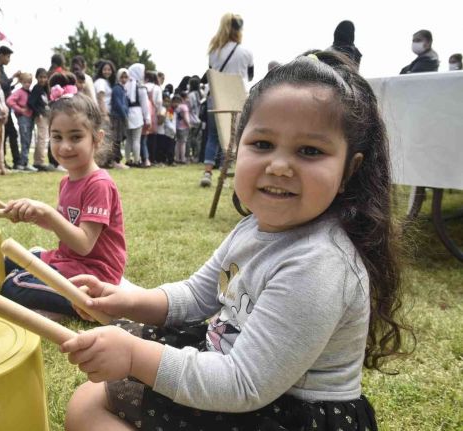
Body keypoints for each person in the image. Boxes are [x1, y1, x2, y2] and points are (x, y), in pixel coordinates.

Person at [63, 51, 409, 431]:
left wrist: (133, 356)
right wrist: (127, 300)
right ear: (236, 145)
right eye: (262, 144)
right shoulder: (252, 227)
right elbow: (197, 295)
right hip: (231, 369)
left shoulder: (320, 264)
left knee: (88, 406)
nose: (279, 166)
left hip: (281, 409)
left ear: (349, 170)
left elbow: (243, 384)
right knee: (93, 396)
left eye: (310, 151)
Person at [1, 72, 126, 320]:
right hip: (68, 260)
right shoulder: (66, 181)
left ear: (97, 139)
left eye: (76, 137)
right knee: (7, 262)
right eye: (57, 137)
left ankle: (90, 304)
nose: (65, 146)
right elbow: (66, 226)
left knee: (14, 284)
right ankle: (59, 300)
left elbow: (84, 244)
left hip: (95, 272)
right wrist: (35, 215)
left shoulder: (99, 184)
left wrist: (47, 212)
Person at [201, 12, 253, 187]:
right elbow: (250, 76)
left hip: (216, 97)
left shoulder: (213, 51)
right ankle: (230, 172)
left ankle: (207, 172)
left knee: (213, 136)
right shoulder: (246, 53)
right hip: (236, 98)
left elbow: (212, 74)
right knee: (235, 138)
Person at [6, 72, 36, 171]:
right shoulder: (19, 92)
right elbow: (9, 101)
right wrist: (19, 109)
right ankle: (23, 162)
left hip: (30, 118)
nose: (28, 84)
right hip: (23, 118)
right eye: (26, 82)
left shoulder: (30, 92)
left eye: (29, 82)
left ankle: (25, 160)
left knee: (28, 139)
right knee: (25, 139)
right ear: (22, 82)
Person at [0, 46, 21, 170]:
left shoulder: (1, 69)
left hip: (5, 108)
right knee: (9, 134)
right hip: (1, 109)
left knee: (9, 134)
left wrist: (15, 83)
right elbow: (2, 85)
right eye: (7, 56)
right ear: (1, 55)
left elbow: (6, 88)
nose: (9, 59)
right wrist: (13, 77)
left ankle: (9, 161)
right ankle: (14, 161)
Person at [125, 63, 151, 167]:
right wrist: (147, 119)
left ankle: (128, 160)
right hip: (137, 114)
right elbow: (145, 105)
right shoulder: (141, 87)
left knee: (128, 140)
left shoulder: (125, 85)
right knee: (136, 140)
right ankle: (136, 160)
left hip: (127, 114)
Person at [29, 68, 52, 172]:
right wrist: (38, 113)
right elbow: (30, 102)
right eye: (41, 77)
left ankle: (39, 161)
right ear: (36, 77)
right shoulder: (37, 88)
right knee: (42, 138)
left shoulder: (45, 89)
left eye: (45, 77)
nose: (43, 79)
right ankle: (39, 162)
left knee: (44, 138)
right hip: (41, 117)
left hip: (47, 116)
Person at [109, 68, 129, 168]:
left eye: (126, 77)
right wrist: (125, 116)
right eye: (122, 77)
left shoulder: (122, 88)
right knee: (116, 139)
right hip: (117, 117)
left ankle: (116, 160)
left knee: (119, 139)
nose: (124, 79)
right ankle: (115, 161)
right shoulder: (117, 88)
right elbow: (118, 104)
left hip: (120, 117)